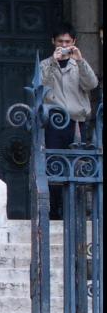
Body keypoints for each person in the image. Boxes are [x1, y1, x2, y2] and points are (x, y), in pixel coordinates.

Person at [40, 22, 99, 218]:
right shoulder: (45, 65)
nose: (64, 45)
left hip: (76, 123)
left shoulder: (79, 64)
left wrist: (80, 61)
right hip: (54, 123)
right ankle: (54, 211)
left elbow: (91, 83)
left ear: (73, 42)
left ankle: (76, 212)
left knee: (77, 168)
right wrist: (52, 63)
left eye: (67, 41)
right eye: (60, 41)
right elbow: (42, 89)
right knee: (53, 167)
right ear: (53, 42)